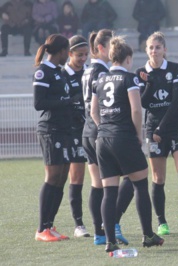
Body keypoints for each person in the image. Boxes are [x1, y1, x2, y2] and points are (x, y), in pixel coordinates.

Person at [90, 36, 164, 253]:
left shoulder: (100, 80)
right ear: (128, 59)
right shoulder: (130, 79)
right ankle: (148, 234)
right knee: (140, 184)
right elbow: (136, 109)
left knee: (109, 190)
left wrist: (104, 127)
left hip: (102, 139)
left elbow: (93, 111)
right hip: (124, 136)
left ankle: (109, 240)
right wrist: (137, 133)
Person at [136, 31, 178, 236]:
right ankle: (162, 222)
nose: (154, 51)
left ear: (165, 50)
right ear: (146, 50)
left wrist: (162, 128)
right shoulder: (141, 72)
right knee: (158, 177)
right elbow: (143, 103)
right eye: (151, 48)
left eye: (158, 47)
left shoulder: (174, 69)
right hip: (153, 130)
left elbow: (176, 100)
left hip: (176, 125)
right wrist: (149, 84)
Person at [82, 29, 133, 246]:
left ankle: (99, 233)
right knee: (132, 177)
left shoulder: (87, 70)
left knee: (98, 185)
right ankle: (113, 224)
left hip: (88, 130)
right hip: (103, 131)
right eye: (111, 45)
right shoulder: (103, 73)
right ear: (101, 48)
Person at [33, 34, 75, 242]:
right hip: (50, 129)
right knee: (52, 176)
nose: (68, 55)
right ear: (61, 51)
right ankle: (42, 229)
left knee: (62, 176)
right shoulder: (43, 72)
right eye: (67, 51)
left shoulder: (59, 72)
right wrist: (65, 100)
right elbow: (39, 102)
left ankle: (50, 224)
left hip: (64, 129)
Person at [61, 35, 90, 238]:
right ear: (69, 54)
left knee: (101, 176)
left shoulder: (89, 73)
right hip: (73, 131)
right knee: (77, 176)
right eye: (79, 55)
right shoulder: (62, 75)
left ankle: (106, 222)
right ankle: (79, 224)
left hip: (93, 129)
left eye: (86, 55)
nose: (83, 58)